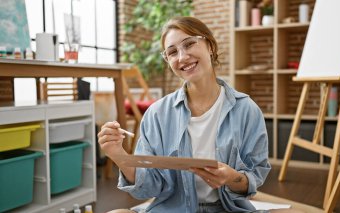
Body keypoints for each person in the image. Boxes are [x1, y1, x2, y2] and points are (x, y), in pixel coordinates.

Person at [98, 16, 271, 212]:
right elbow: (148, 188)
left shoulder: (246, 109)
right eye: (172, 52)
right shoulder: (157, 113)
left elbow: (253, 177)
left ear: (210, 46)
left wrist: (232, 178)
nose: (182, 57)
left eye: (189, 44)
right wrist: (119, 155)